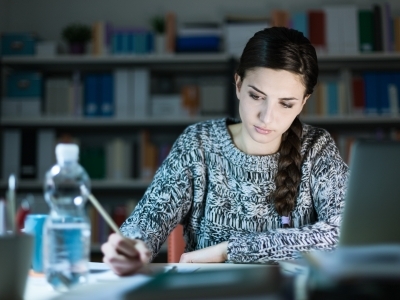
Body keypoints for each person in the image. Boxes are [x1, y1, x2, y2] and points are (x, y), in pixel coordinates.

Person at [101, 26, 349, 276]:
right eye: (256, 96)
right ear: (239, 85)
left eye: (286, 104)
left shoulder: (317, 148)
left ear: (303, 102)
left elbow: (344, 232)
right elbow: (148, 221)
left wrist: (228, 250)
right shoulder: (199, 143)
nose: (267, 117)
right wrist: (131, 245)